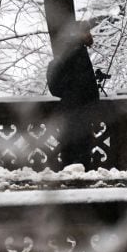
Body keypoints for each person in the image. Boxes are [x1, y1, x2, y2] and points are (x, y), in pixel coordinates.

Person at [45, 19, 100, 168]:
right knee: (80, 147)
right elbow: (84, 82)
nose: (89, 35)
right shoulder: (77, 52)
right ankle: (78, 173)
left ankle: (72, 171)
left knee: (70, 145)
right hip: (78, 109)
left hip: (70, 108)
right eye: (86, 32)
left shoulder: (68, 50)